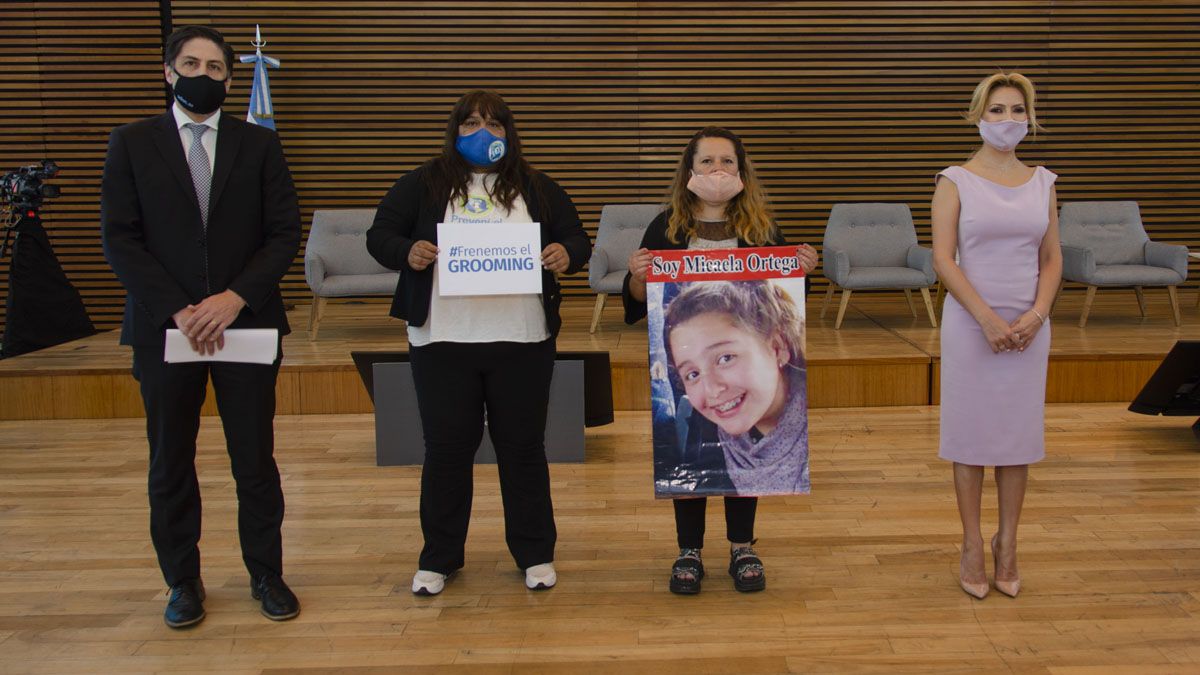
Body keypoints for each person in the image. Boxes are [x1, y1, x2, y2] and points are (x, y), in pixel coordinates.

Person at [101, 25, 302, 627]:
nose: (203, 75)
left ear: (229, 79)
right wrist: (181, 309)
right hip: (165, 330)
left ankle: (266, 572)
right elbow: (120, 238)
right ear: (168, 71)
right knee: (170, 460)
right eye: (191, 63)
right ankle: (182, 581)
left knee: (255, 461)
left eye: (216, 68)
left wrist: (234, 299)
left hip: (245, 323)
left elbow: (283, 233)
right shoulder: (131, 142)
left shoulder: (259, 144)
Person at [367, 89, 591, 596]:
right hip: (442, 339)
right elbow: (378, 235)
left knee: (523, 449)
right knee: (446, 452)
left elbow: (578, 239)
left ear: (509, 134)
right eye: (470, 124)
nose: (482, 133)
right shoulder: (422, 183)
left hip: (523, 339)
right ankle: (439, 558)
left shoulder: (536, 186)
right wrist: (409, 251)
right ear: (454, 132)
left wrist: (564, 254)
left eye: (493, 124)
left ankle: (535, 553)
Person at [623, 126, 819, 594]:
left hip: (741, 364)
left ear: (741, 170)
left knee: (745, 444)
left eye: (726, 162)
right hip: (692, 370)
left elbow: (790, 294)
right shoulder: (665, 227)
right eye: (707, 162)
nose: (716, 171)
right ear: (689, 171)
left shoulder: (763, 228)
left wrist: (803, 267)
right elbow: (636, 301)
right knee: (686, 451)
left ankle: (742, 545)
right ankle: (688, 548)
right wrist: (635, 276)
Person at [931, 72, 1062, 599]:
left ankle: (1007, 543)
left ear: (1029, 118)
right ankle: (969, 544)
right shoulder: (954, 180)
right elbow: (943, 257)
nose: (1007, 120)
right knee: (971, 438)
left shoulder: (1044, 182)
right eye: (997, 110)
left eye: (1016, 110)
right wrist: (985, 317)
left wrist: (1037, 313)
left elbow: (1051, 257)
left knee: (1016, 440)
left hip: (1030, 327)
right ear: (977, 116)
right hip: (970, 324)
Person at [659, 280, 809, 496]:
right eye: (692, 374)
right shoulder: (706, 429)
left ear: (777, 347)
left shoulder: (810, 441)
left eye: (725, 358)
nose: (711, 390)